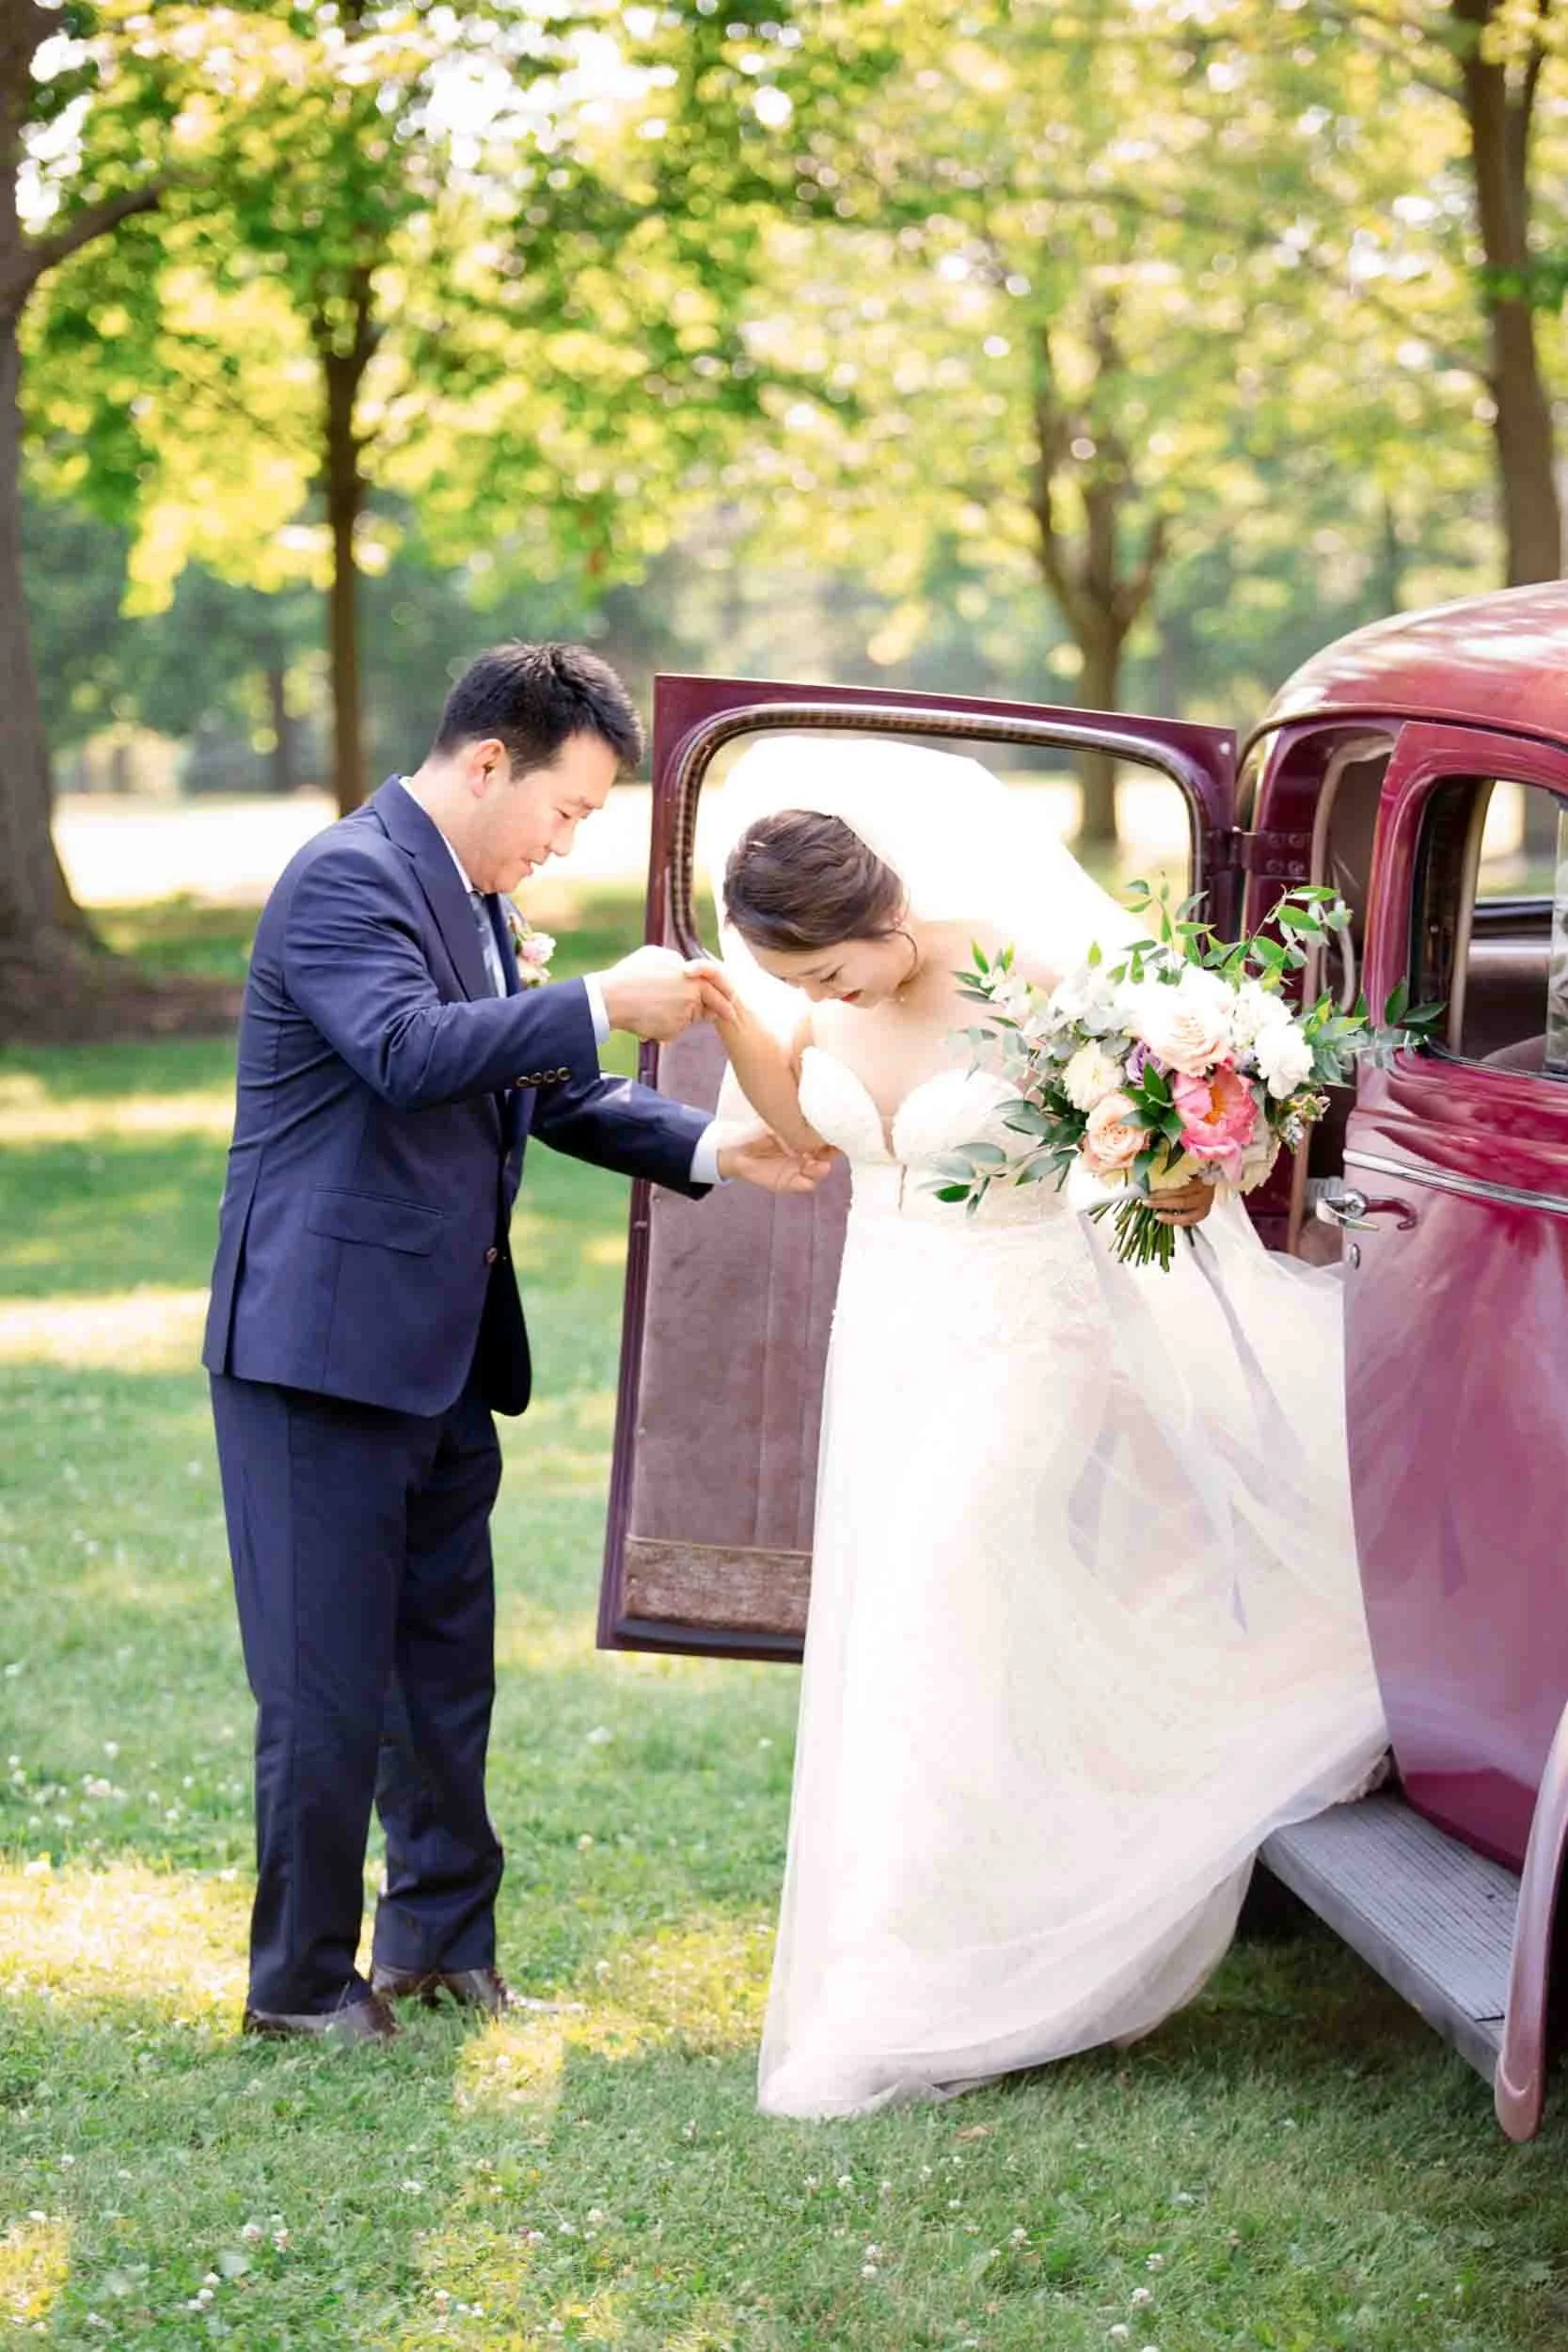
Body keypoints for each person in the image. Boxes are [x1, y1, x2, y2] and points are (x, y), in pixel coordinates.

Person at [700, 732, 1386, 2119]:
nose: (816, 998)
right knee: (904, 1619)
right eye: (792, 982)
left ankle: (933, 1991)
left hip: (1027, 1329)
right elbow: (804, 1138)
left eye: (826, 974)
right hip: (886, 1329)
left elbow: (1217, 1115)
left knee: (945, 1597)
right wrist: (734, 1014)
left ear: (889, 918)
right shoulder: (803, 995)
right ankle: (947, 1944)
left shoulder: (1041, 971)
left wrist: (1201, 1171)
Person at [204, 644, 831, 2044]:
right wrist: (601, 998)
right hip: (313, 1351)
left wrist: (716, 1147)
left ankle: (437, 1943)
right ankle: (299, 1986)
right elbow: (409, 1051)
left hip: (441, 1350)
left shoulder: (479, 897)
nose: (566, 840)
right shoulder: (344, 878)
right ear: (489, 762)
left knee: (443, 1669)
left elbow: (534, 1088)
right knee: (322, 1685)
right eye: (568, 810)